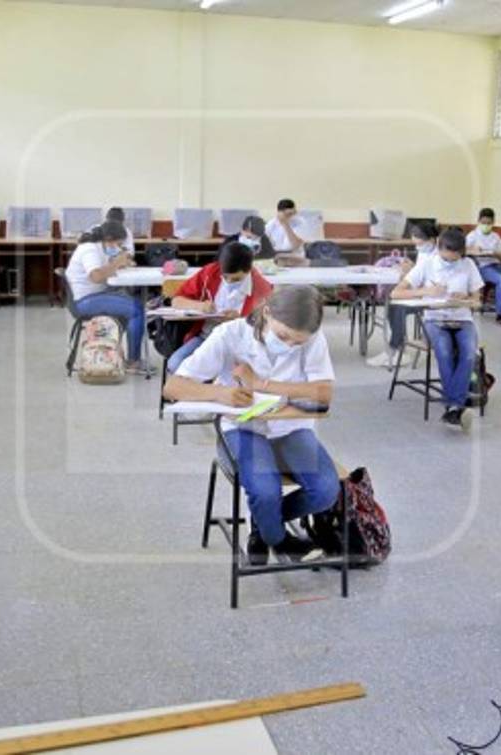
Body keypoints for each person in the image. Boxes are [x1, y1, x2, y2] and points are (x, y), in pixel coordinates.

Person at [164, 285, 338, 563]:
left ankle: (263, 526)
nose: (290, 345)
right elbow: (173, 387)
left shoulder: (313, 338)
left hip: (291, 427)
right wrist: (221, 393)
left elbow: (324, 392)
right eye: (283, 336)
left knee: (326, 491)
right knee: (265, 490)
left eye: (298, 343)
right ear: (267, 312)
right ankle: (279, 538)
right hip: (244, 428)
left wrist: (261, 384)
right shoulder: (230, 335)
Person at [391, 227, 483, 430]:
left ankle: (452, 408)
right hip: (435, 318)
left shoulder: (468, 265)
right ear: (439, 250)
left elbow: (478, 300)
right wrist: (426, 291)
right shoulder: (427, 264)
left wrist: (466, 298)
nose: (450, 263)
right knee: (444, 352)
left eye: (455, 259)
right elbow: (396, 294)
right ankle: (455, 406)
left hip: (462, 318)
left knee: (468, 354)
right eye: (446, 259)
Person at [167, 241, 272, 372]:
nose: (228, 282)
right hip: (206, 337)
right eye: (225, 277)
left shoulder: (262, 287)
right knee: (175, 364)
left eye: (236, 279)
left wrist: (241, 320)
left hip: (241, 343)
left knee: (232, 373)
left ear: (249, 269)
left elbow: (267, 327)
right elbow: (176, 301)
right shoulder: (210, 272)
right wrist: (199, 306)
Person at [65, 220, 151, 373]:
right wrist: (117, 263)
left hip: (95, 295)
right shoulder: (89, 249)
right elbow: (96, 276)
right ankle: (133, 362)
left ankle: (115, 353)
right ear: (109, 239)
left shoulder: (101, 247)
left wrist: (121, 262)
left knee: (131, 302)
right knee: (136, 309)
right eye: (117, 243)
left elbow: (105, 267)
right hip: (84, 301)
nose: (117, 247)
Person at [366, 220, 440, 369]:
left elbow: (430, 282)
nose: (417, 247)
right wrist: (412, 268)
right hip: (421, 293)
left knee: (399, 308)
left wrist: (410, 272)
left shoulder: (438, 256)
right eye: (415, 244)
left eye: (419, 243)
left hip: (433, 298)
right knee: (393, 306)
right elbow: (420, 275)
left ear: (431, 240)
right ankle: (399, 347)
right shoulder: (424, 252)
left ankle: (394, 350)